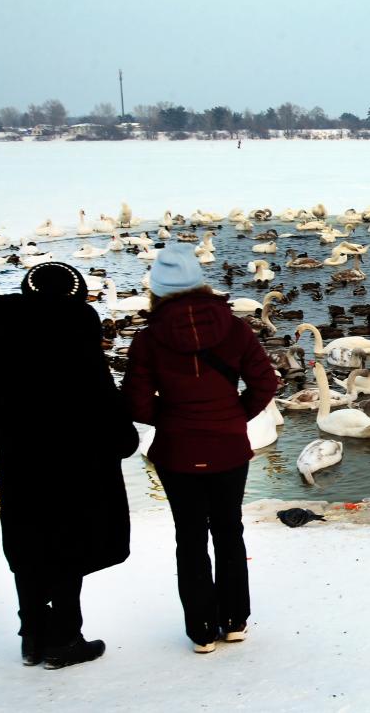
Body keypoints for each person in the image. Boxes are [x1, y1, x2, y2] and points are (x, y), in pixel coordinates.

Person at [0, 263, 138, 669]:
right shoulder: (80, 349)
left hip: (22, 468)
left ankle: (32, 637)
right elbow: (107, 409)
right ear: (76, 294)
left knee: (29, 547)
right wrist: (122, 441)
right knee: (69, 546)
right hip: (76, 467)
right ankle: (65, 638)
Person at [123, 244, 277, 653]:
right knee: (229, 530)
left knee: (189, 538)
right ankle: (235, 621)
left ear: (156, 288)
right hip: (228, 445)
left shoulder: (147, 339)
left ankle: (201, 630)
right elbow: (267, 383)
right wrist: (234, 414)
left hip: (177, 451)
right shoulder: (237, 328)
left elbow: (136, 404)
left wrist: (173, 419)